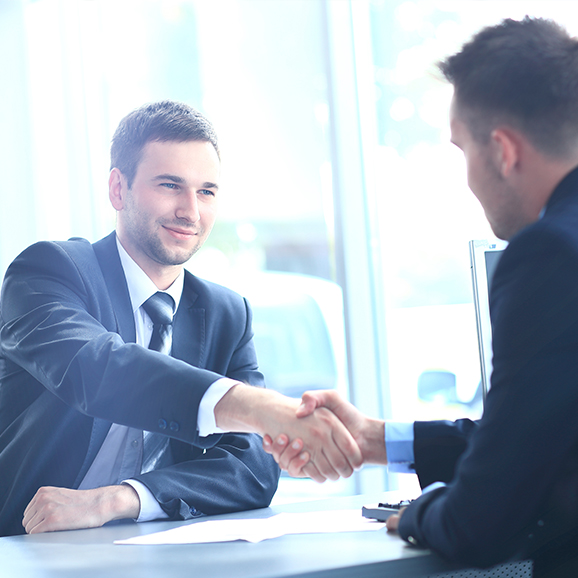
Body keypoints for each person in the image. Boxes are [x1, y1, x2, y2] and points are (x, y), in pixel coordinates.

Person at [265, 17, 578, 577]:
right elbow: (541, 433)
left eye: (462, 150)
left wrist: (416, 513)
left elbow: (479, 523)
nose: (466, 179)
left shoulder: (549, 256)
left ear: (504, 150)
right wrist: (372, 440)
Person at [0, 100, 362, 537]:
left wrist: (123, 498)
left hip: (147, 546)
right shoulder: (49, 272)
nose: (191, 211)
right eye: (171, 185)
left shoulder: (227, 313)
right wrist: (258, 408)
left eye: (206, 191)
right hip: (25, 545)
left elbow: (253, 464)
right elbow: (96, 369)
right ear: (118, 189)